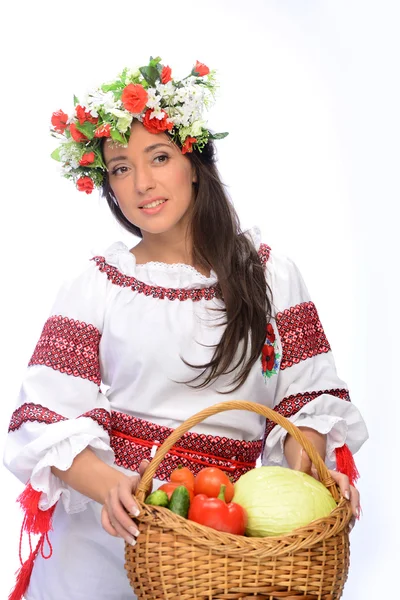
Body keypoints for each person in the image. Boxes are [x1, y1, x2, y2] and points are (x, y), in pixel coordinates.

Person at [4, 56, 368, 600]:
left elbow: (304, 400)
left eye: (159, 157)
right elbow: (45, 415)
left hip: (229, 539)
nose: (142, 184)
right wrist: (114, 489)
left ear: (194, 163)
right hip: (111, 541)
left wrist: (310, 476)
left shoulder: (271, 277)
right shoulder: (98, 284)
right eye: (121, 167)